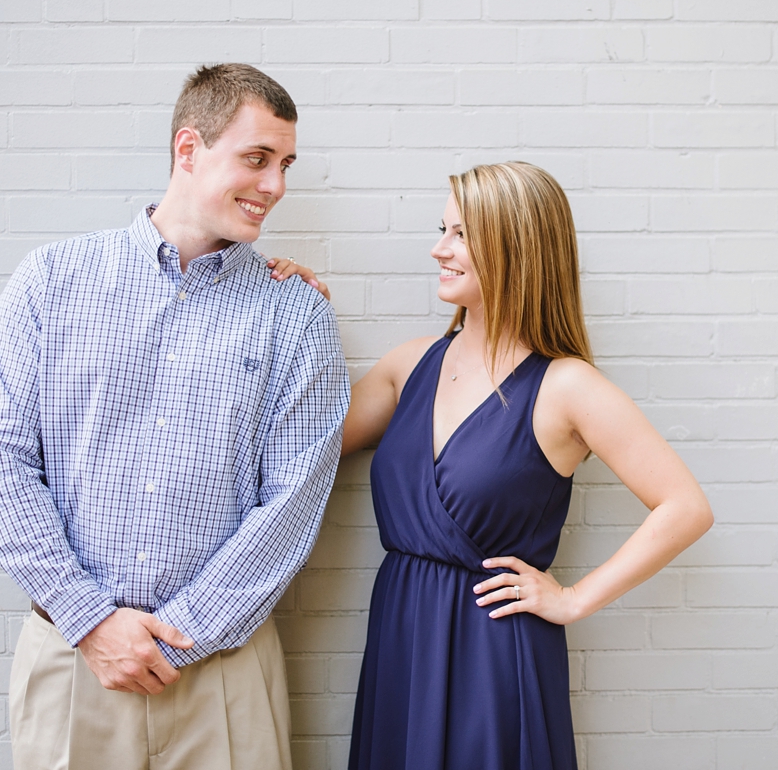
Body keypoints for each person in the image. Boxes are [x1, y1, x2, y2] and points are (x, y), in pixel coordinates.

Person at [0, 63, 349, 770]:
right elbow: (2, 461)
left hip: (224, 680)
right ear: (187, 150)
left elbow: (292, 501)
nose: (276, 186)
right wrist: (90, 620)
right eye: (257, 159)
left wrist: (181, 633)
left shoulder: (294, 313)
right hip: (72, 664)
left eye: (285, 165)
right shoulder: (51, 282)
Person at [279, 161, 713, 769]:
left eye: (460, 234)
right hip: (404, 635)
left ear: (515, 248)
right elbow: (298, 441)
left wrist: (572, 599)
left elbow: (685, 507)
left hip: (494, 650)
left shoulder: (567, 387)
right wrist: (295, 315)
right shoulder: (411, 365)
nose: (438, 249)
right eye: (443, 230)